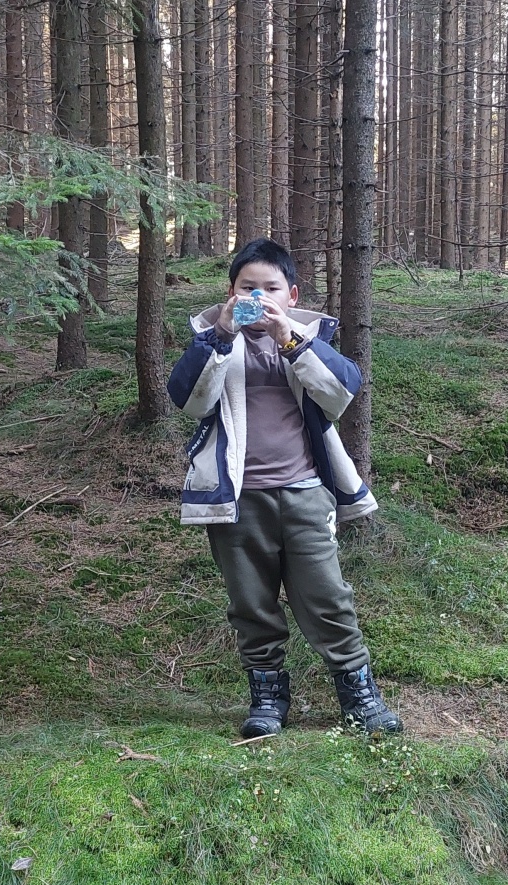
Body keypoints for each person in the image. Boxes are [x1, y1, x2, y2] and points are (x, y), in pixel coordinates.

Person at [167, 238, 403, 738]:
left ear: (291, 294)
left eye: (271, 288)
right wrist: (222, 334)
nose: (259, 296)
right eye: (247, 287)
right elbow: (189, 400)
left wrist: (288, 338)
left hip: (304, 492)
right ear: (231, 292)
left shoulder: (307, 336)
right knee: (251, 603)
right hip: (236, 499)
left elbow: (342, 392)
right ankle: (268, 698)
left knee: (327, 597)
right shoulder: (213, 338)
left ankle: (359, 696)